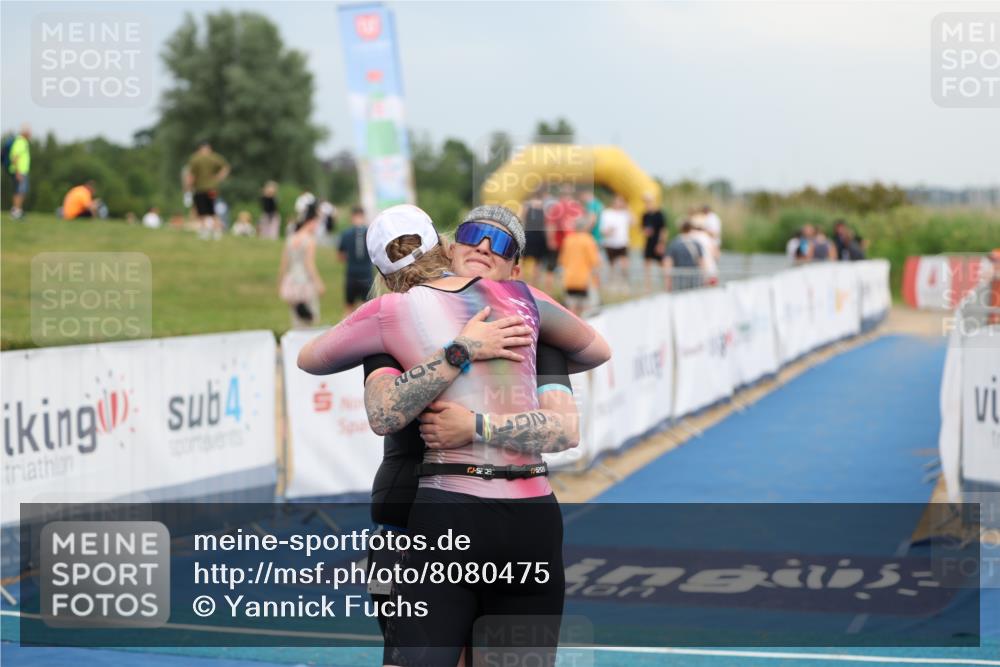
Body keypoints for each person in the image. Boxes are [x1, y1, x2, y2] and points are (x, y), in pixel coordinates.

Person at [298, 204, 610, 667]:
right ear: (447, 245)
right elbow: (383, 412)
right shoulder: (522, 308)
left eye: (499, 243)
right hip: (416, 524)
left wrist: (477, 420)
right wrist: (465, 349)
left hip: (451, 514)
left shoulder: (524, 323)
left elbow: (568, 425)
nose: (484, 246)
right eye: (474, 235)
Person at [278, 204, 325, 328]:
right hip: (305, 282)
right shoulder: (309, 240)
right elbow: (309, 264)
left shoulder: (291, 238)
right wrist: (318, 283)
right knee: (311, 317)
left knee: (296, 317)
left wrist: (280, 283)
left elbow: (284, 264)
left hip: (292, 281)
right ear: (311, 221)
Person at [185, 141, 230, 240]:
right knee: (212, 210)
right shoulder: (215, 157)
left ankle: (204, 231)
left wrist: (188, 187)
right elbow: (226, 167)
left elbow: (190, 175)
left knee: (202, 211)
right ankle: (216, 231)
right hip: (212, 189)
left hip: (199, 189)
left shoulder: (195, 158)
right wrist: (219, 178)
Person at [559, 216, 601, 315]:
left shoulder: (568, 240)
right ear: (585, 227)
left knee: (572, 309)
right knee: (586, 310)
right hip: (585, 281)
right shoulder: (588, 240)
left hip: (569, 280)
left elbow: (563, 261)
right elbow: (595, 262)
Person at [338, 205, 374, 315]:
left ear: (352, 217)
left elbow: (340, 256)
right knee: (367, 308)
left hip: (352, 274)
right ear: (363, 216)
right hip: (366, 274)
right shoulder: (370, 233)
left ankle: (346, 326)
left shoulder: (346, 234)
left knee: (349, 307)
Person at [599, 194, 632, 292]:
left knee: (624, 265)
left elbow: (634, 222)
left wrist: (628, 208)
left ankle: (624, 283)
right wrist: (608, 231)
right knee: (611, 265)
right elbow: (602, 230)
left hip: (622, 243)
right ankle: (612, 284)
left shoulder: (625, 214)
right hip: (610, 243)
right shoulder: (606, 213)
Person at [663, 220, 706, 291]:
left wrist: (668, 283)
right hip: (695, 280)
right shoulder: (696, 244)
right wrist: (703, 279)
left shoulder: (674, 244)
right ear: (690, 228)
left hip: (678, 281)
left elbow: (668, 264)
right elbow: (702, 263)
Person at [521, 190, 550, 288]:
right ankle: (534, 286)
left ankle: (522, 283)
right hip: (540, 237)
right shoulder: (544, 208)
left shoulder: (526, 206)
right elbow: (546, 224)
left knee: (523, 261)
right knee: (537, 264)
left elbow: (522, 220)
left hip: (528, 235)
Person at [641, 193, 667, 291]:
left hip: (658, 242)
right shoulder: (645, 215)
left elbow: (663, 230)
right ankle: (648, 287)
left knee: (662, 265)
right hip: (649, 242)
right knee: (647, 265)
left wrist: (661, 243)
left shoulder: (659, 214)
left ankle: (666, 286)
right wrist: (646, 232)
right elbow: (643, 229)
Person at [6, 124, 30, 220]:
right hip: (19, 172)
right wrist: (18, 172)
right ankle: (16, 212)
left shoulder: (22, 141)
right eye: (29, 131)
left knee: (19, 191)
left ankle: (17, 210)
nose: (30, 133)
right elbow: (15, 157)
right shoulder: (20, 142)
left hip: (21, 171)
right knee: (19, 191)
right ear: (24, 132)